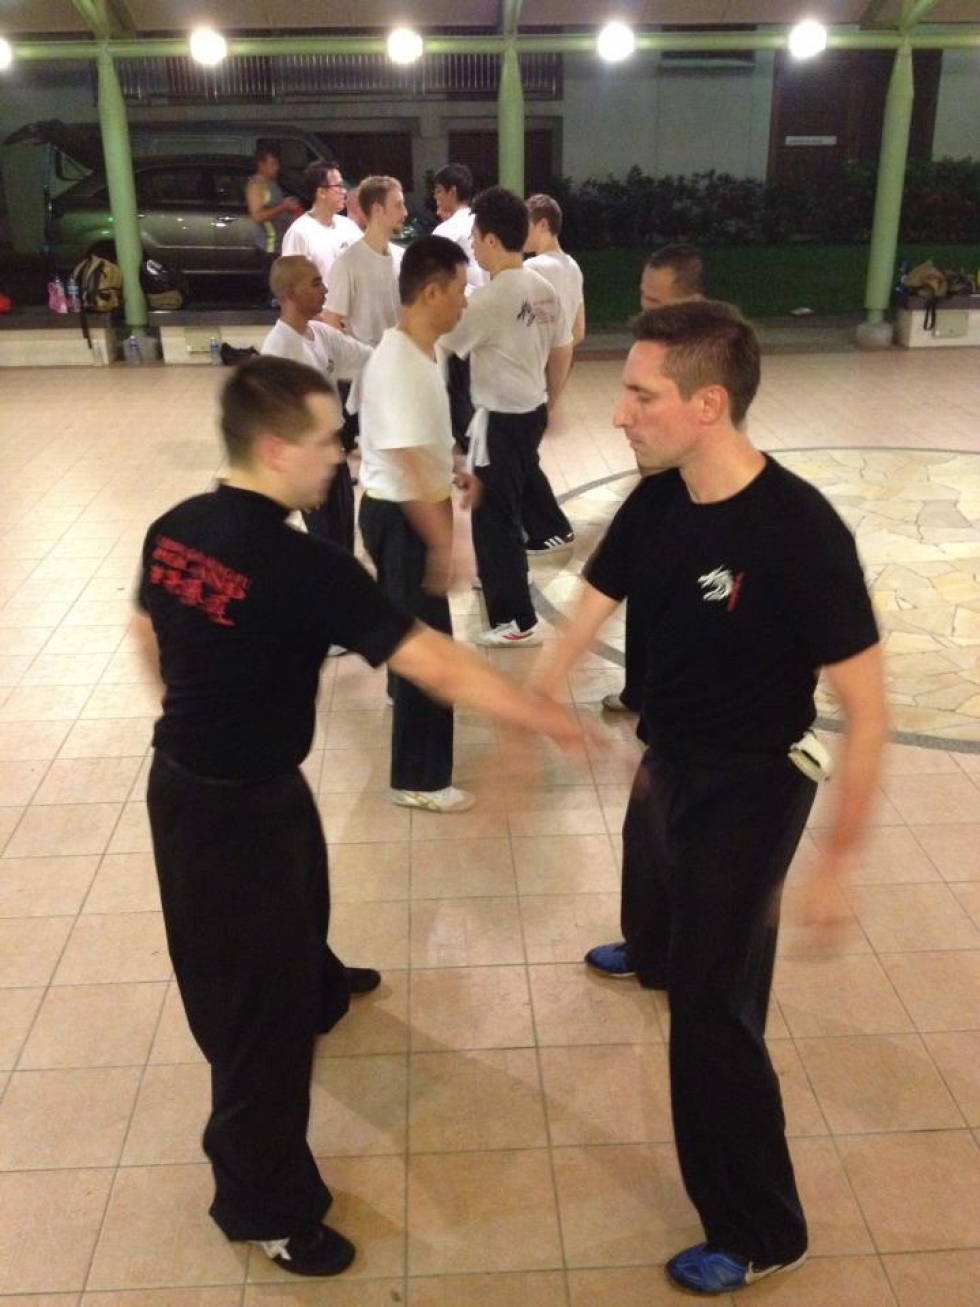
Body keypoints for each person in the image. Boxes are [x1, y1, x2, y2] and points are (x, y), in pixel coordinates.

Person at [136, 355, 583, 1280]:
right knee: (254, 1022)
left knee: (302, 905)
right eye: (328, 443)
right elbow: (431, 661)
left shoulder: (175, 527)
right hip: (224, 814)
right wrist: (539, 714)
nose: (341, 458)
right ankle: (263, 1205)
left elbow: (146, 627)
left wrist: (190, 710)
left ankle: (319, 984)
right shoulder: (307, 566)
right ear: (274, 449)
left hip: (212, 783)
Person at [530, 300, 887, 1296]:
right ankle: (652, 948)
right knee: (649, 887)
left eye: (639, 395)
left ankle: (762, 1227)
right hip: (670, 755)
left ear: (707, 404)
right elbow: (588, 606)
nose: (618, 414)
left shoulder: (797, 531)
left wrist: (837, 861)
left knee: (711, 1015)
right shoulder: (658, 502)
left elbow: (866, 708)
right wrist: (538, 699)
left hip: (751, 784)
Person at [358, 235, 474, 813]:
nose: (465, 302)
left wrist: (453, 464)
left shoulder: (426, 352)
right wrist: (445, 546)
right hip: (404, 516)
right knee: (431, 652)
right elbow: (404, 465)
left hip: (409, 507)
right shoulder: (398, 363)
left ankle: (397, 691)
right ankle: (419, 780)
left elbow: (422, 437)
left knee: (410, 635)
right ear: (431, 292)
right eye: (460, 290)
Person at [439, 186, 573, 648]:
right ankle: (503, 581)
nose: (473, 247)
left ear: (493, 240)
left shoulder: (490, 299)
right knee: (503, 508)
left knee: (495, 516)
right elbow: (561, 349)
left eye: (476, 238)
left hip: (498, 420)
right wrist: (550, 402)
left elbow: (443, 344)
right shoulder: (543, 289)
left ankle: (516, 620)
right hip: (529, 412)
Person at [602, 243, 707, 715]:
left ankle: (666, 701)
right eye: (643, 297)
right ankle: (637, 691)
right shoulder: (651, 347)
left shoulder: (712, 357)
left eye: (657, 302)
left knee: (679, 604)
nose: (645, 310)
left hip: (689, 492)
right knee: (642, 592)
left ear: (694, 302)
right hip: (657, 489)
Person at [260, 255, 371, 552]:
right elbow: (274, 423)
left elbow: (366, 356)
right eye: (316, 283)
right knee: (327, 544)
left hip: (334, 453)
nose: (325, 290)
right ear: (290, 294)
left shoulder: (319, 333)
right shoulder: (278, 349)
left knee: (343, 538)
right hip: (309, 462)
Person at [520, 192, 585, 554]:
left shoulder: (533, 269)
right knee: (523, 454)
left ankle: (550, 528)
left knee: (520, 456)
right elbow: (578, 331)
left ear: (543, 225)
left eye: (526, 226)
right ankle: (540, 526)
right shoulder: (573, 267)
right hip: (554, 370)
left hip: (530, 373)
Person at [322, 175, 407, 345]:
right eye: (398, 205)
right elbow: (331, 321)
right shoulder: (348, 263)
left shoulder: (403, 257)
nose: (405, 212)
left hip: (398, 356)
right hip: (366, 359)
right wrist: (356, 355)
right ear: (377, 210)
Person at [280, 159, 362, 283]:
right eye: (339, 186)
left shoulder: (348, 226)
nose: (344, 191)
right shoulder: (299, 232)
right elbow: (290, 280)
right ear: (321, 192)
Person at [246, 148, 302, 279]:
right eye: (273, 163)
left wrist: (291, 209)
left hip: (280, 246)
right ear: (261, 165)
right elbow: (257, 216)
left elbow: (277, 208)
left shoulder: (271, 183)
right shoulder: (256, 186)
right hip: (270, 248)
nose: (277, 167)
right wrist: (283, 207)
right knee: (275, 286)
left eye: (277, 163)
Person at [432, 162, 486, 293]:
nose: (435, 196)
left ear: (452, 192)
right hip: (488, 294)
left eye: (439, 190)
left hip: (462, 299)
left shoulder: (446, 230)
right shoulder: (483, 221)